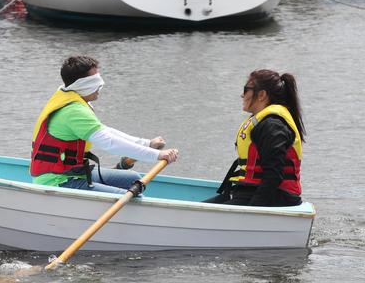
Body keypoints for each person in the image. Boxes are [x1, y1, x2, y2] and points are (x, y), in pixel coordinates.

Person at [30, 55, 179, 194]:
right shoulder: (73, 111)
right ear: (83, 85)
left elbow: (106, 131)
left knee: (132, 178)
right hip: (59, 181)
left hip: (74, 172)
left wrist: (147, 144)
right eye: (95, 82)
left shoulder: (72, 99)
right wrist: (157, 155)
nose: (100, 86)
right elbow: (110, 142)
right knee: (131, 199)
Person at [204, 69, 307, 206]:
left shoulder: (272, 125)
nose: (242, 95)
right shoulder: (263, 122)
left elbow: (274, 175)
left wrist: (253, 211)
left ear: (262, 95)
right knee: (194, 212)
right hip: (251, 192)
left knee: (193, 217)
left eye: (246, 89)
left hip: (273, 197)